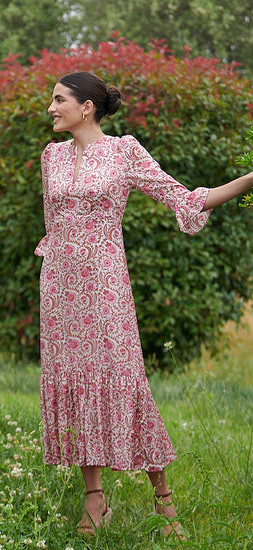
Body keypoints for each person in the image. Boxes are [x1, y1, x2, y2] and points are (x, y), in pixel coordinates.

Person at [34, 71, 253, 537]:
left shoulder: (124, 151)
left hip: (106, 285)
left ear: (86, 106)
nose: (51, 108)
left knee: (124, 377)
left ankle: (164, 499)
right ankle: (95, 498)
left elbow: (185, 199)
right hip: (58, 288)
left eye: (59, 100)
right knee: (75, 382)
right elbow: (52, 226)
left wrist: (250, 179)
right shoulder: (50, 157)